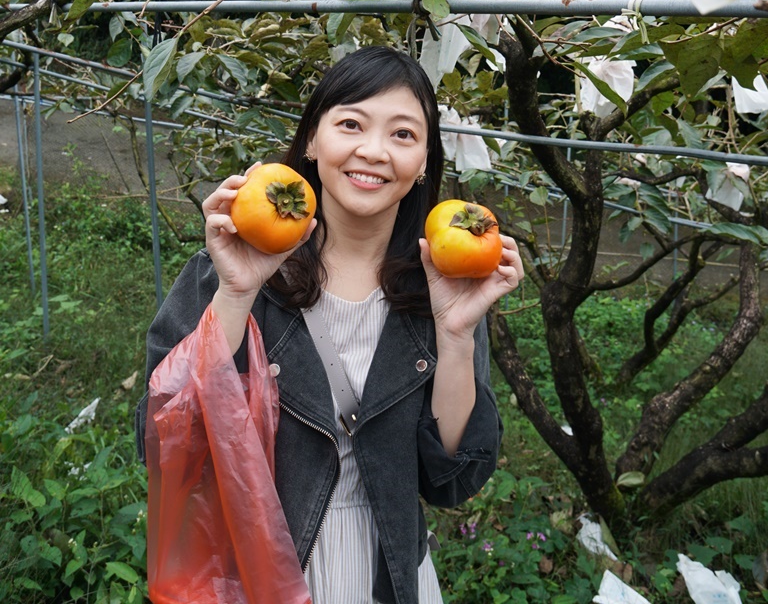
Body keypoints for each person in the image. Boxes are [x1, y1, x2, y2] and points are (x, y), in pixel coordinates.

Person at [137, 46, 523, 604]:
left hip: (392, 576)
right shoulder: (229, 269)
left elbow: (452, 481)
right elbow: (167, 445)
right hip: (260, 571)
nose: (373, 151)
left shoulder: (440, 287)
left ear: (422, 167)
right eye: (350, 124)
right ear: (312, 141)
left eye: (403, 135)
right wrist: (236, 295)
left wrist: (458, 335)